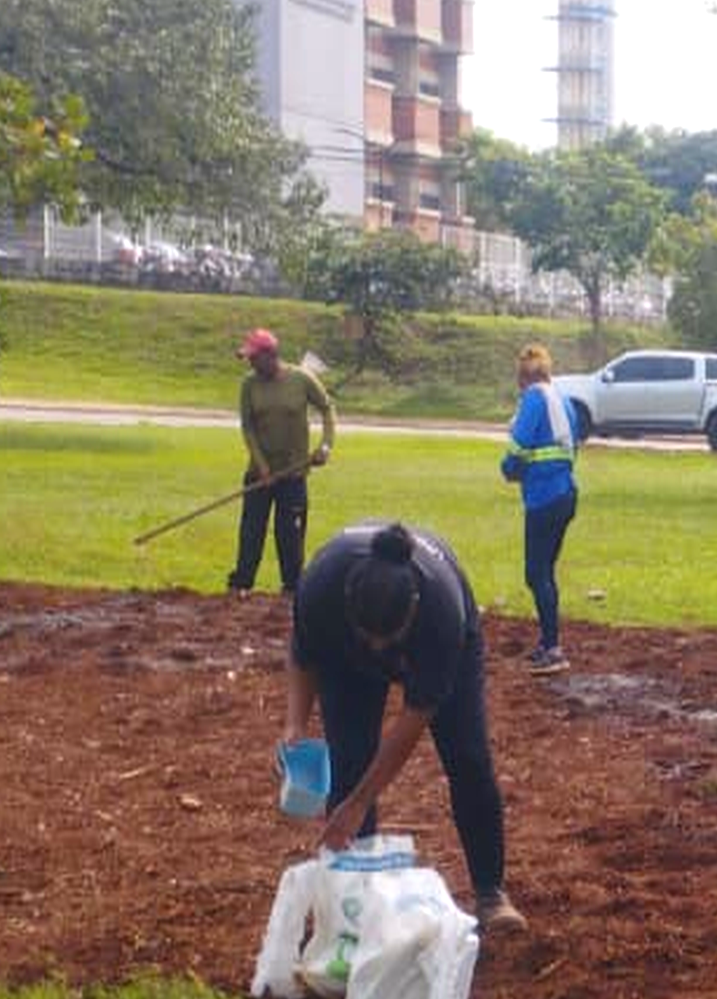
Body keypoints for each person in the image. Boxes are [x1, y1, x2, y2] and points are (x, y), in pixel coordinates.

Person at [282, 520, 528, 936]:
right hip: (347, 664)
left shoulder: (440, 611)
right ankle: (353, 904)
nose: (379, 649)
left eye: (388, 638)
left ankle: (490, 893)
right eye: (369, 637)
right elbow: (304, 655)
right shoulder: (321, 588)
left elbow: (414, 717)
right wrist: (294, 726)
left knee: (467, 756)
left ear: (411, 608)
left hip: (441, 639)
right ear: (348, 602)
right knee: (350, 762)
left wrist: (361, 802)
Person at [229, 328, 336, 593]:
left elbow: (327, 409)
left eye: (254, 357)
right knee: (251, 534)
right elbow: (248, 427)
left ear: (270, 355)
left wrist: (325, 445)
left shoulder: (302, 380)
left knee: (290, 537)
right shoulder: (248, 384)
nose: (251, 363)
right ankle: (241, 586)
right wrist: (262, 466)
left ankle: (292, 590)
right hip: (258, 475)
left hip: (293, 475)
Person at [502, 343, 580, 674]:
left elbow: (517, 449)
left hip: (544, 497)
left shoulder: (534, 398)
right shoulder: (562, 399)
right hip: (566, 493)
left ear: (523, 377)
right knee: (545, 571)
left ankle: (553, 648)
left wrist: (508, 469)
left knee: (536, 573)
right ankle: (549, 643)